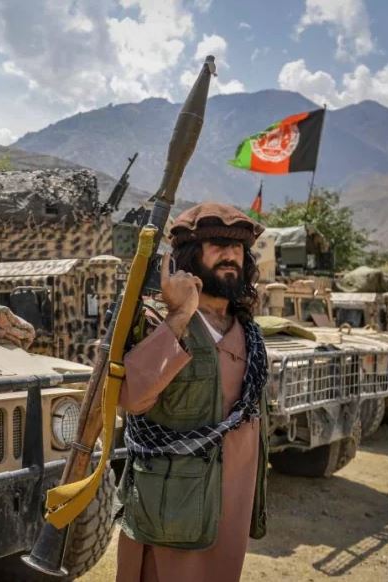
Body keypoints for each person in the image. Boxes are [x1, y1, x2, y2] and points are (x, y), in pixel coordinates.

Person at [115, 202, 269, 582]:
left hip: (229, 506)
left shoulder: (249, 332)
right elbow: (131, 398)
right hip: (172, 508)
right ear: (185, 258)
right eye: (217, 245)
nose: (230, 254)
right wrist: (180, 315)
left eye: (237, 248)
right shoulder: (154, 322)